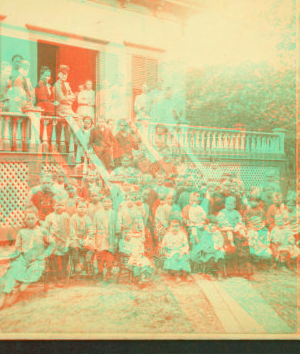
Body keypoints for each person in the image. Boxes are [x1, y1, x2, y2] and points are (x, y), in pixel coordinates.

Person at [0, 206, 55, 310]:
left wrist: (45, 254)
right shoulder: (22, 232)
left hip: (37, 259)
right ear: (24, 220)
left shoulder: (42, 231)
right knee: (15, 269)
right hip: (24, 258)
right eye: (28, 219)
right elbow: (17, 248)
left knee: (32, 271)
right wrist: (10, 256)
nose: (30, 221)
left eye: (32, 218)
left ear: (37, 219)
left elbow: (52, 243)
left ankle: (17, 292)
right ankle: (6, 294)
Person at [43, 195, 70, 287]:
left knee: (64, 258)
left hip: (64, 241)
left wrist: (68, 240)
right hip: (53, 242)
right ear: (53, 206)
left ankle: (63, 275)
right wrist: (48, 238)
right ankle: (56, 277)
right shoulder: (49, 217)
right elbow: (45, 229)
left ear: (65, 207)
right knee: (54, 258)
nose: (59, 207)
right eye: (57, 205)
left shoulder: (66, 216)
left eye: (62, 205)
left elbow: (70, 229)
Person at [119, 215, 155, 285]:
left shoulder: (136, 240)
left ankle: (143, 278)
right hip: (129, 256)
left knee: (144, 261)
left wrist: (140, 253)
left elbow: (141, 247)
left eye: (129, 233)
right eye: (126, 233)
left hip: (137, 255)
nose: (128, 235)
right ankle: (139, 278)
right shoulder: (125, 238)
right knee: (137, 262)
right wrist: (130, 253)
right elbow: (123, 248)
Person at [160, 211, 191, 280]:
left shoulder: (182, 234)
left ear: (180, 226)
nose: (175, 227)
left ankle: (185, 273)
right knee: (175, 256)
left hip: (180, 249)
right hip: (171, 250)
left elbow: (186, 244)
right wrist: (165, 252)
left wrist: (184, 251)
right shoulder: (167, 235)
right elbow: (163, 245)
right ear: (170, 226)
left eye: (177, 225)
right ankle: (176, 274)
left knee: (184, 257)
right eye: (173, 226)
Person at [93, 196, 118, 281]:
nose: (106, 204)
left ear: (111, 203)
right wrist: (95, 236)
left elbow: (117, 226)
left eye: (108, 202)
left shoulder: (114, 213)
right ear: (102, 203)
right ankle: (100, 271)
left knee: (109, 255)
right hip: (100, 237)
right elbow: (94, 225)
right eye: (105, 202)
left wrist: (116, 237)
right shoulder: (98, 213)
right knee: (100, 254)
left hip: (111, 237)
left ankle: (108, 272)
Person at [69, 198, 95, 277]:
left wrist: (86, 238)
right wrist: (78, 239)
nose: (82, 209)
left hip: (85, 239)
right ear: (76, 208)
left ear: (86, 208)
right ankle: (77, 263)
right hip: (75, 239)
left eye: (84, 207)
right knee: (75, 247)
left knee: (92, 248)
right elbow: (72, 232)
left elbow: (90, 231)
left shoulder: (88, 219)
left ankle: (85, 263)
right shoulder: (73, 218)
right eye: (80, 207)